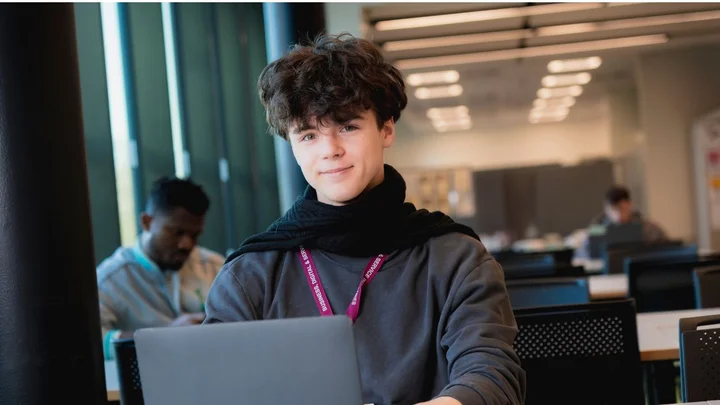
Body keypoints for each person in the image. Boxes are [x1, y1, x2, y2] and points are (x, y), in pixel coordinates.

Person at [203, 34, 525, 405]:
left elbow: (492, 378)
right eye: (308, 135)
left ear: (386, 128)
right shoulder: (251, 276)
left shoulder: (456, 259)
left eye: (347, 127)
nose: (330, 151)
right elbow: (216, 391)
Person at [97, 176, 225, 360]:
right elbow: (91, 340)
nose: (186, 244)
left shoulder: (216, 268)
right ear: (147, 222)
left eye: (195, 235)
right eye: (177, 232)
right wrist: (163, 336)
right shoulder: (111, 280)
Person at [575, 185, 668, 259]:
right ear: (606, 209)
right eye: (613, 209)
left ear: (629, 205)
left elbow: (667, 248)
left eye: (622, 208)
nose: (618, 215)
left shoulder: (647, 227)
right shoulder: (598, 228)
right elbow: (583, 252)